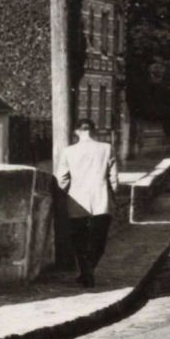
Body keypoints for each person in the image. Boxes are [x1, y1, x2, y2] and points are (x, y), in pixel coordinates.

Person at [55, 118, 118, 287]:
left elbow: (61, 179)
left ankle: (86, 272)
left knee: (79, 239)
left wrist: (64, 196)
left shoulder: (68, 151)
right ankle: (88, 270)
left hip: (77, 201)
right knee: (99, 239)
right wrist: (114, 197)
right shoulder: (106, 148)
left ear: (76, 131)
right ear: (93, 130)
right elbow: (114, 179)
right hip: (101, 200)